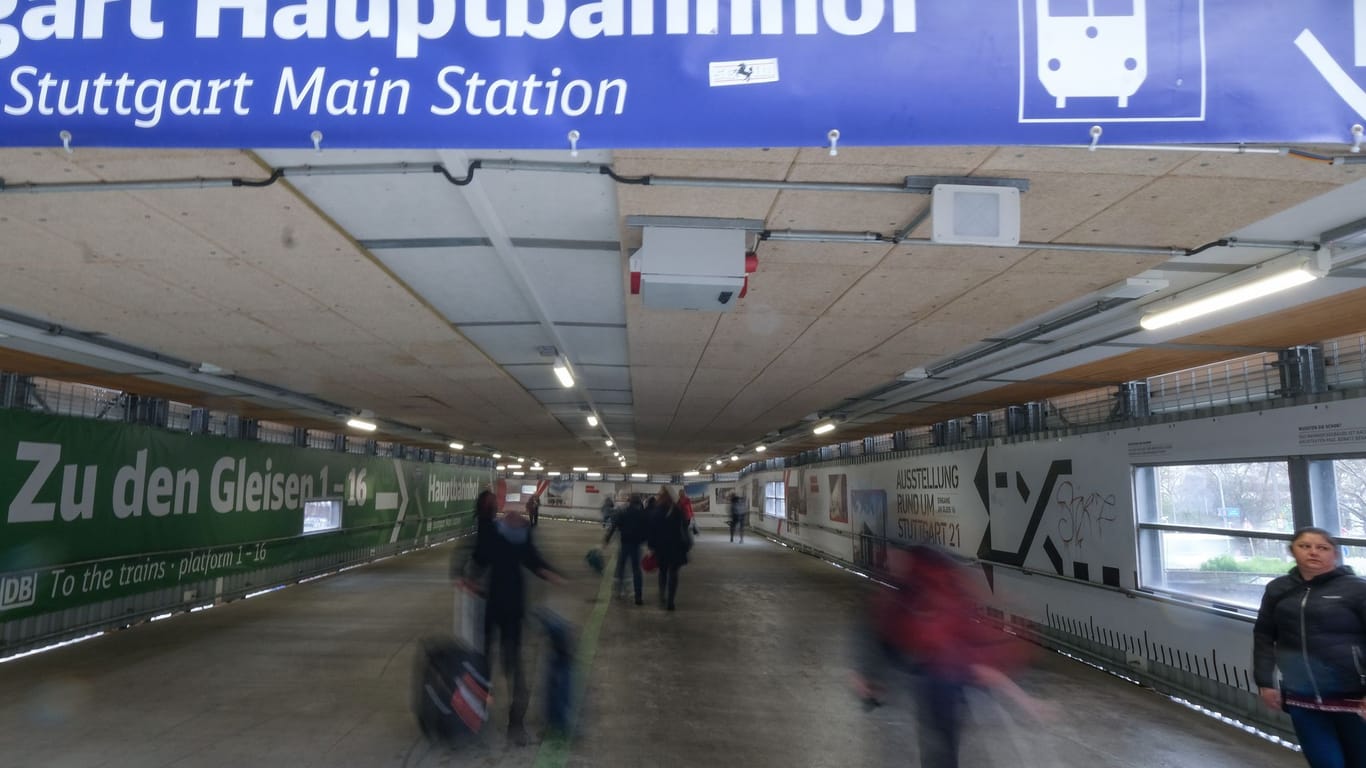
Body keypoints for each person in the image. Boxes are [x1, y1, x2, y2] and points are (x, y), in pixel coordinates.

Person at [856, 544, 1042, 768]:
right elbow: (981, 666)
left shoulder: (919, 600)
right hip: (941, 675)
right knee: (942, 741)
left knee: (938, 741)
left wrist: (871, 677)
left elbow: (886, 631)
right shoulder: (942, 599)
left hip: (937, 675)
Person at [1254, 527, 1366, 768]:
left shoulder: (1357, 589)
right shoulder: (1278, 589)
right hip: (1301, 696)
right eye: (1305, 546)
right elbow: (1264, 635)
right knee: (1326, 763)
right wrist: (1265, 681)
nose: (1313, 552)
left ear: (1334, 554)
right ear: (1292, 551)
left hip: (1354, 697)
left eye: (1322, 547)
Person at [463, 503, 563, 747]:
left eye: (519, 518)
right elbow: (479, 558)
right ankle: (481, 714)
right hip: (497, 608)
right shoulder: (495, 536)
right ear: (505, 520)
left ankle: (513, 723)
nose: (516, 519)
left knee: (510, 664)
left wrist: (549, 573)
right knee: (490, 663)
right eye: (512, 517)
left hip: (508, 610)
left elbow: (533, 559)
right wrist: (468, 580)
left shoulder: (519, 538)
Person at [648, 486, 691, 611]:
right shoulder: (678, 511)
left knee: (662, 572)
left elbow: (652, 531)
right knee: (673, 573)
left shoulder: (656, 511)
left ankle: (662, 596)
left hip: (661, 548)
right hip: (676, 548)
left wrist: (651, 547)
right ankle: (671, 602)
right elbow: (684, 529)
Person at [604, 494, 648, 605]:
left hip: (625, 545)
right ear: (639, 503)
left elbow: (614, 526)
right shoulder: (642, 514)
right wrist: (645, 542)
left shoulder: (623, 512)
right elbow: (647, 530)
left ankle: (618, 592)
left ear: (629, 502)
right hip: (637, 546)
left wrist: (607, 540)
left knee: (621, 568)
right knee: (637, 570)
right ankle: (638, 597)